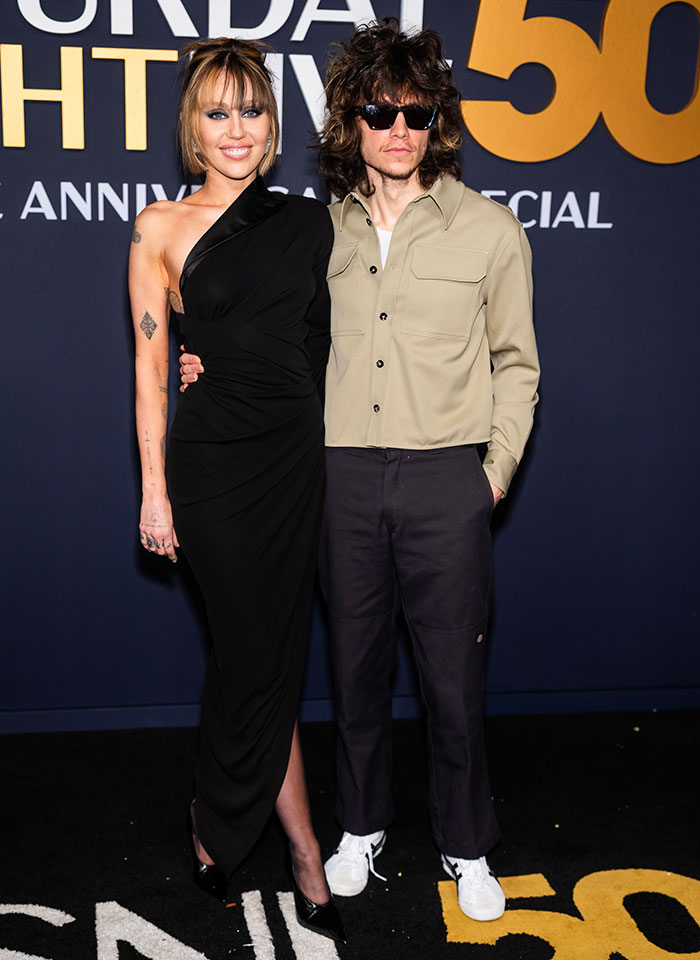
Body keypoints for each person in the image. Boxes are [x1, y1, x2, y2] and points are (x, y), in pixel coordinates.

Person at [180, 18, 540, 924]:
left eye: (414, 114)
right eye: (378, 111)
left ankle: (467, 846)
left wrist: (488, 475)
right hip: (336, 478)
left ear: (436, 123)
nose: (397, 129)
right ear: (353, 122)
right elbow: (262, 321)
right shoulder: (315, 232)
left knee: (454, 683)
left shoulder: (490, 231)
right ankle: (361, 829)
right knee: (354, 672)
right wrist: (202, 358)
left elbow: (518, 365)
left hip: (444, 481)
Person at [130, 36, 344, 943]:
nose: (237, 130)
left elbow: (326, 346)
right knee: (258, 659)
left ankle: (276, 840)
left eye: (252, 111)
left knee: (271, 663)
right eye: (217, 113)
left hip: (294, 463)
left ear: (272, 124)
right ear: (192, 126)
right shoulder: (157, 227)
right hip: (213, 471)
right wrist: (153, 492)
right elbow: (146, 368)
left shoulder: (309, 223)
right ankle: (268, 838)